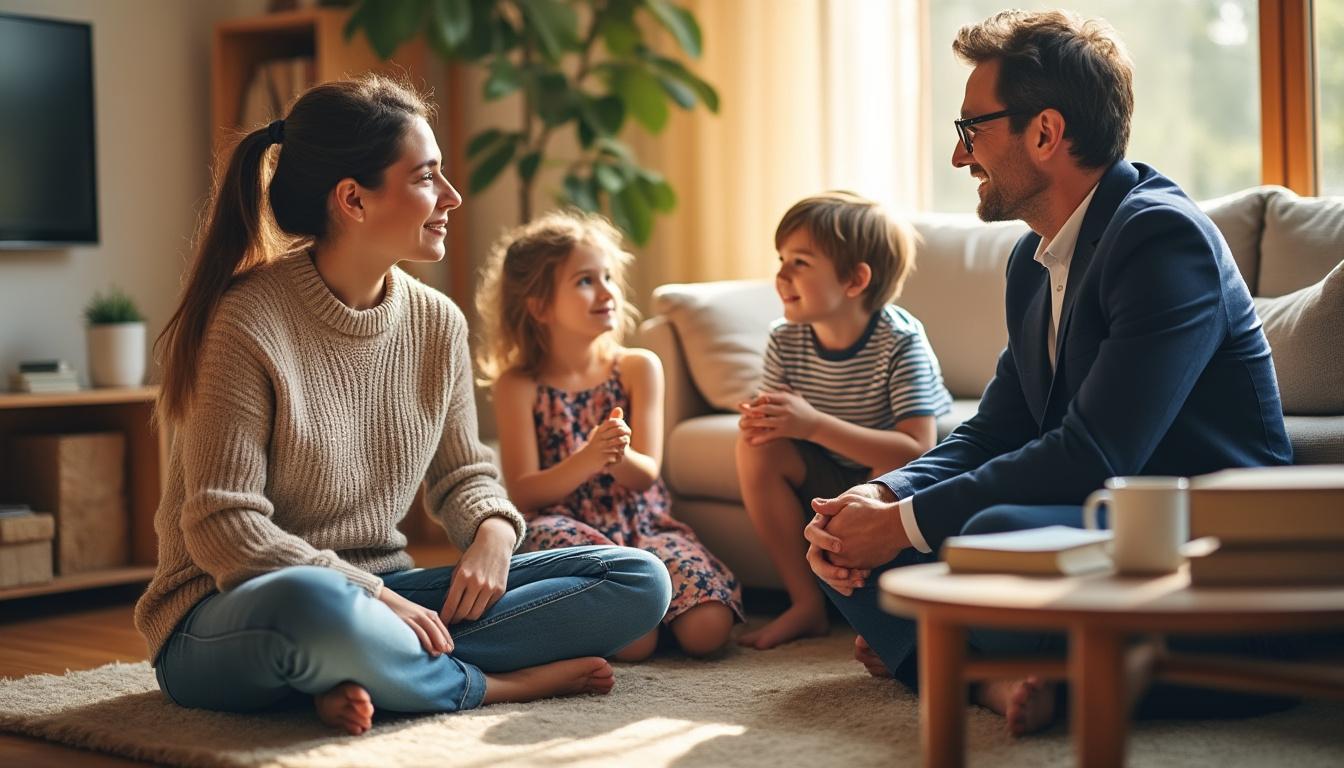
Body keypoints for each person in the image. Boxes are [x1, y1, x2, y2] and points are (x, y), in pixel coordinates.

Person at [802, 10, 1292, 735]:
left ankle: (955, 656)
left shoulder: (1161, 238)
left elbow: (1096, 453)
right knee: (834, 532)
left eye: (972, 130)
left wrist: (904, 527)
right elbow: (996, 429)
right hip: (1097, 529)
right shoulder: (1033, 264)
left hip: (1199, 546)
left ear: (1045, 133)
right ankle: (1003, 679)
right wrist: (881, 496)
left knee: (987, 531)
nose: (959, 157)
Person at [134, 76, 671, 736]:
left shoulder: (435, 322)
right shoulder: (246, 322)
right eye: (427, 178)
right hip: (230, 612)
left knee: (639, 579)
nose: (452, 198)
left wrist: (494, 536)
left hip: (384, 594)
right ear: (354, 200)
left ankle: (351, 672)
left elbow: (462, 476)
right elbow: (223, 527)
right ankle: (481, 685)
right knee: (317, 609)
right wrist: (375, 598)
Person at [481, 210, 744, 659]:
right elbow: (525, 495)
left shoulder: (638, 367)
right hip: (567, 528)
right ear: (540, 306)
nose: (607, 292)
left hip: (643, 524)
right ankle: (632, 613)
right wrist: (586, 459)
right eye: (585, 281)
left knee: (708, 630)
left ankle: (646, 608)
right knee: (634, 643)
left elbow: (645, 474)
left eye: (608, 276)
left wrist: (615, 456)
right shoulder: (518, 386)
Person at [735, 191, 952, 650]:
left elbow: (915, 450)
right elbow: (780, 420)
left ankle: (871, 610)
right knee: (756, 447)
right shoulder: (786, 338)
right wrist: (764, 419)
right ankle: (806, 604)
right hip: (829, 466)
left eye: (800, 262)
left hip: (888, 474)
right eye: (781, 258)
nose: (781, 274)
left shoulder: (900, 341)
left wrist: (812, 424)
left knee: (886, 474)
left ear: (855, 281)